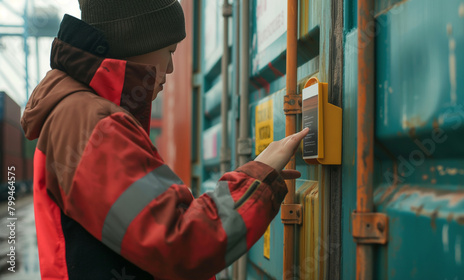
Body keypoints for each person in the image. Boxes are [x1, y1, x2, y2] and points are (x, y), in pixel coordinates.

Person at [21, 0, 308, 279]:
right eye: (169, 50)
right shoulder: (88, 121)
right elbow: (180, 245)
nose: (170, 68)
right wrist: (257, 178)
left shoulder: (81, 114)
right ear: (135, 41)